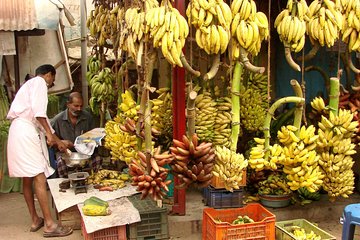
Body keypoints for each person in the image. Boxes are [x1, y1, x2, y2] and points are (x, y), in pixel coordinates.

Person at [7, 64, 73, 237]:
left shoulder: (28, 85)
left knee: (27, 178)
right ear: (49, 75)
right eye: (53, 79)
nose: (52, 83)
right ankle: (50, 225)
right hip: (26, 131)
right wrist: (52, 138)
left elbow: (43, 124)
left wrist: (57, 139)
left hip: (18, 131)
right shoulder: (39, 83)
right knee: (39, 177)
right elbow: (39, 114)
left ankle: (36, 219)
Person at [51, 92, 100, 177]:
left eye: (81, 106)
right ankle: (65, 183)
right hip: (66, 154)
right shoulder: (57, 120)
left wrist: (92, 142)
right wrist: (60, 142)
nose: (79, 109)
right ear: (68, 104)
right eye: (76, 106)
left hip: (85, 154)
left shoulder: (88, 118)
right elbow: (49, 140)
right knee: (60, 163)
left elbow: (94, 137)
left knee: (97, 159)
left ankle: (94, 182)